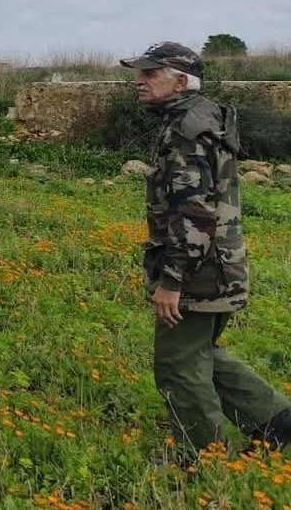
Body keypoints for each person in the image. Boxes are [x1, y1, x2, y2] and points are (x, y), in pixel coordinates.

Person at [121, 41, 291, 457]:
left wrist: (172, 281)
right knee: (199, 353)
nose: (138, 82)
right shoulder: (200, 116)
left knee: (178, 365)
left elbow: (195, 215)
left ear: (181, 81)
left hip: (199, 271)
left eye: (149, 74)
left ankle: (203, 458)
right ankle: (279, 423)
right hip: (218, 264)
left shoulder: (187, 131)